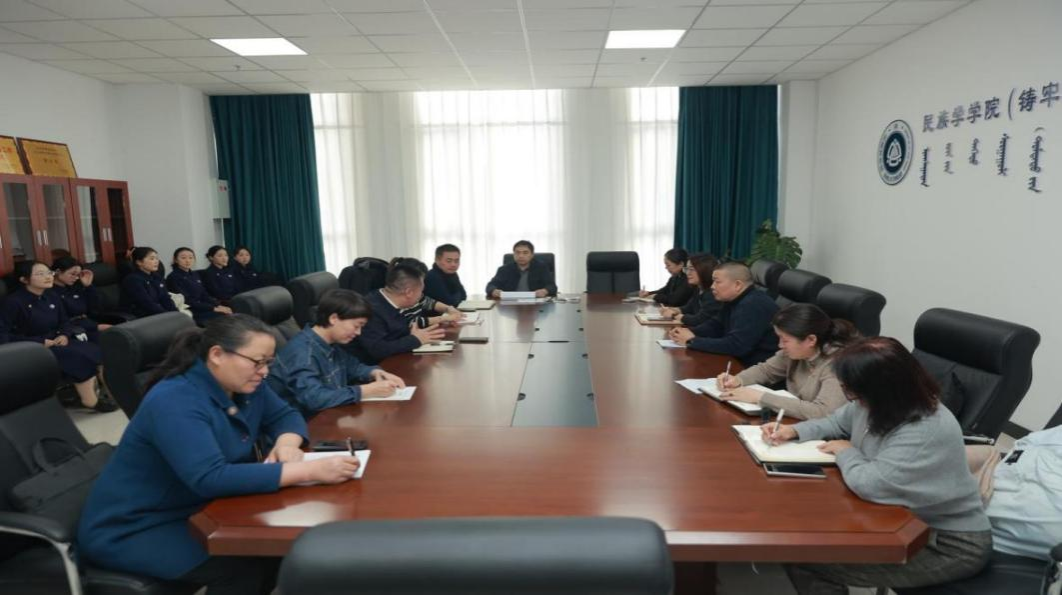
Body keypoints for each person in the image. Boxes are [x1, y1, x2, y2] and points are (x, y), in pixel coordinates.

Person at [77, 315, 360, 594]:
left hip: (203, 508)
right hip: (136, 526)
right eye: (257, 362)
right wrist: (309, 470)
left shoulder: (245, 385)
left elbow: (285, 415)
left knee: (277, 553)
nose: (264, 372)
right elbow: (209, 477)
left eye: (268, 363)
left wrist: (287, 443)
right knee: (241, 565)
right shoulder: (174, 399)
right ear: (217, 355)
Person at [766, 337, 992, 594]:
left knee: (808, 560)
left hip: (947, 543)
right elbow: (835, 422)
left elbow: (871, 484)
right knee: (805, 536)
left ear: (883, 389)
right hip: (901, 521)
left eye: (852, 391)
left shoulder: (926, 427)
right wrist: (794, 431)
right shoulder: (876, 402)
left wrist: (846, 452)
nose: (851, 398)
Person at [270, 289, 406, 418]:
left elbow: (353, 366)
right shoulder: (302, 353)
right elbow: (314, 399)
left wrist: (375, 372)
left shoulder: (330, 343)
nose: (358, 333)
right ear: (334, 318)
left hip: (331, 415)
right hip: (307, 425)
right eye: (356, 326)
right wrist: (364, 391)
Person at [2, 261, 117, 412]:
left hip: (57, 340)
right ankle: (90, 401)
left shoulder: (51, 296)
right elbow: (3, 335)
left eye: (48, 272)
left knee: (98, 352)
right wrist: (40, 342)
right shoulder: (13, 302)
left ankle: (114, 394)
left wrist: (64, 334)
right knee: (77, 357)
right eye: (40, 274)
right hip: (31, 347)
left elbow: (64, 321)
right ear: (24, 279)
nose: (48, 277)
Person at [716, 303, 859, 420]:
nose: (780, 345)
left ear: (811, 340)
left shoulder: (839, 364)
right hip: (795, 421)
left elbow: (822, 412)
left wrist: (760, 397)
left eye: (785, 340)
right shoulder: (794, 353)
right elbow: (766, 370)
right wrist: (738, 379)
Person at [669, 261, 778, 365]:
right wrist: (689, 332)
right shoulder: (733, 299)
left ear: (737, 285)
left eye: (717, 282)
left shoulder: (754, 304)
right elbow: (715, 325)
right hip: (735, 361)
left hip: (753, 367)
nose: (712, 286)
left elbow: (737, 346)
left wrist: (692, 341)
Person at [346, 259, 447, 364]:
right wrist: (415, 339)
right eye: (421, 291)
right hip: (370, 367)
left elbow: (399, 334)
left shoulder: (392, 302)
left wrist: (414, 336)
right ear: (409, 292)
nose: (421, 296)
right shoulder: (371, 309)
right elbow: (377, 350)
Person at [51, 256, 111, 343]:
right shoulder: (50, 292)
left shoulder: (75, 287)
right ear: (58, 272)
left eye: (78, 275)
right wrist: (95, 326)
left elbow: (95, 308)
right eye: (72, 274)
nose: (76, 278)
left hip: (87, 324)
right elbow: (63, 320)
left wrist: (88, 286)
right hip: (72, 331)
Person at [166, 247, 232, 326]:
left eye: (191, 257)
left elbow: (204, 294)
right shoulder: (173, 277)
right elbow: (187, 300)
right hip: (190, 310)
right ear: (175, 260)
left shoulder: (194, 274)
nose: (188, 260)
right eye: (183, 258)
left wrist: (218, 305)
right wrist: (213, 308)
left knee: (227, 312)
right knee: (223, 317)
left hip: (202, 306)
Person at [660, 252, 720, 326]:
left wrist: (674, 315)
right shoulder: (698, 289)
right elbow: (688, 308)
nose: (688, 273)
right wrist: (672, 310)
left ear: (705, 270)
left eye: (691, 269)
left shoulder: (713, 292)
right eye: (687, 269)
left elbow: (698, 320)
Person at [485, 240, 557, 298]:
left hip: (535, 304)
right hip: (510, 305)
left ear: (532, 255)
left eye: (525, 253)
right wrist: (493, 291)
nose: (521, 256)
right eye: (517, 253)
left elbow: (552, 286)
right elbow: (490, 286)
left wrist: (545, 291)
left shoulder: (541, 268)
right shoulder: (504, 269)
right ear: (514, 254)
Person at [120, 246, 178, 317]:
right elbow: (147, 304)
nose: (156, 261)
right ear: (139, 262)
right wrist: (167, 315)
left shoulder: (157, 277)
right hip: (140, 316)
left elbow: (166, 298)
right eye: (152, 258)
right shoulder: (132, 280)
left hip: (158, 312)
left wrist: (176, 313)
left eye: (157, 258)